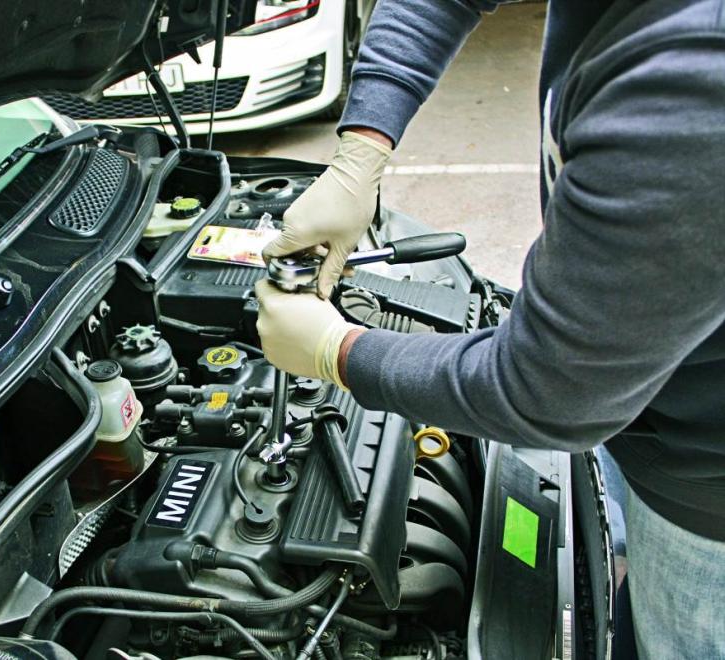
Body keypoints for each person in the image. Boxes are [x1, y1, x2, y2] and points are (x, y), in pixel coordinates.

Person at [254, 1, 725, 657]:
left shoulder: (701, 78)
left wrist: (340, 353)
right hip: (650, 387)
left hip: (707, 494)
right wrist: (360, 152)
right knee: (615, 567)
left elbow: (550, 394)